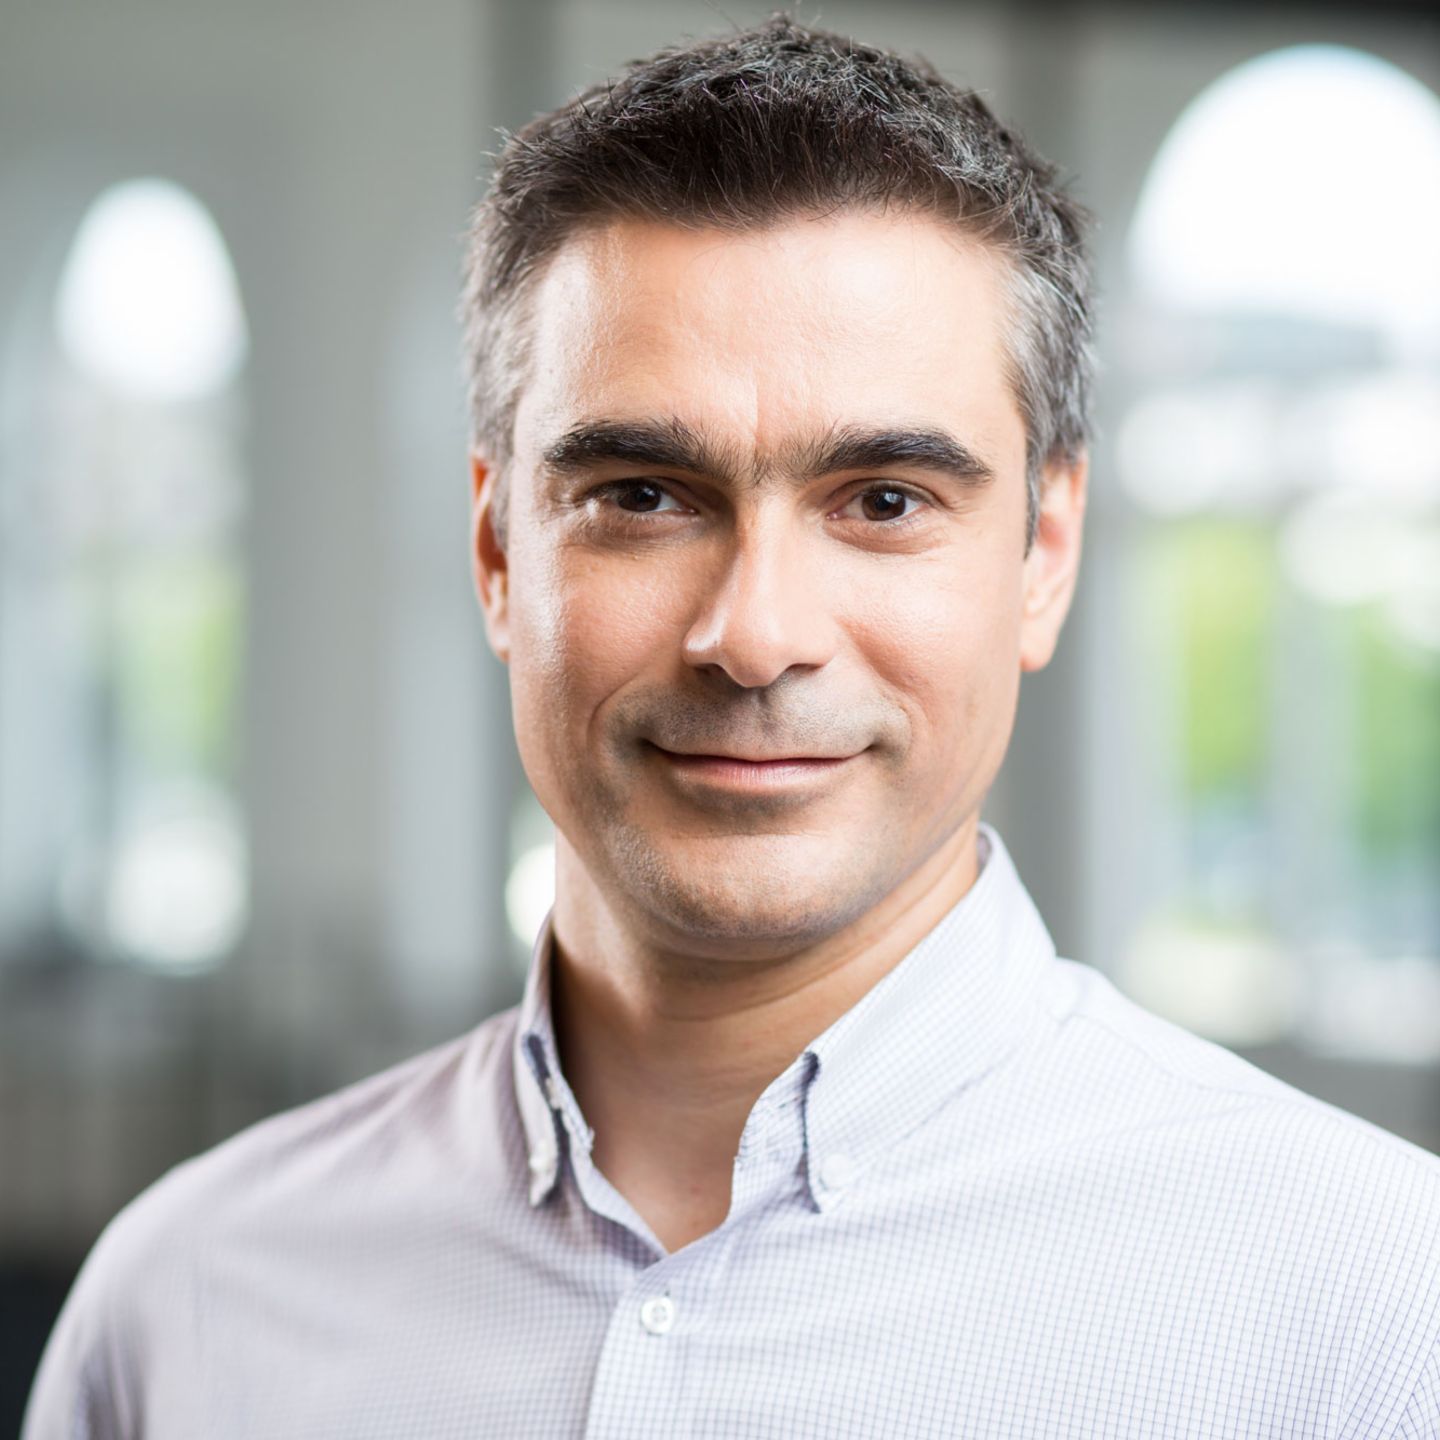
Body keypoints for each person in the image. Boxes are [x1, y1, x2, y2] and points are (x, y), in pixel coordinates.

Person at [24, 14, 1440, 1438]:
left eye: (885, 501)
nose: (756, 634)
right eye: (643, 494)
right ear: (499, 553)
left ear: (1045, 555)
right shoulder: (188, 1307)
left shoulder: (1370, 1314)